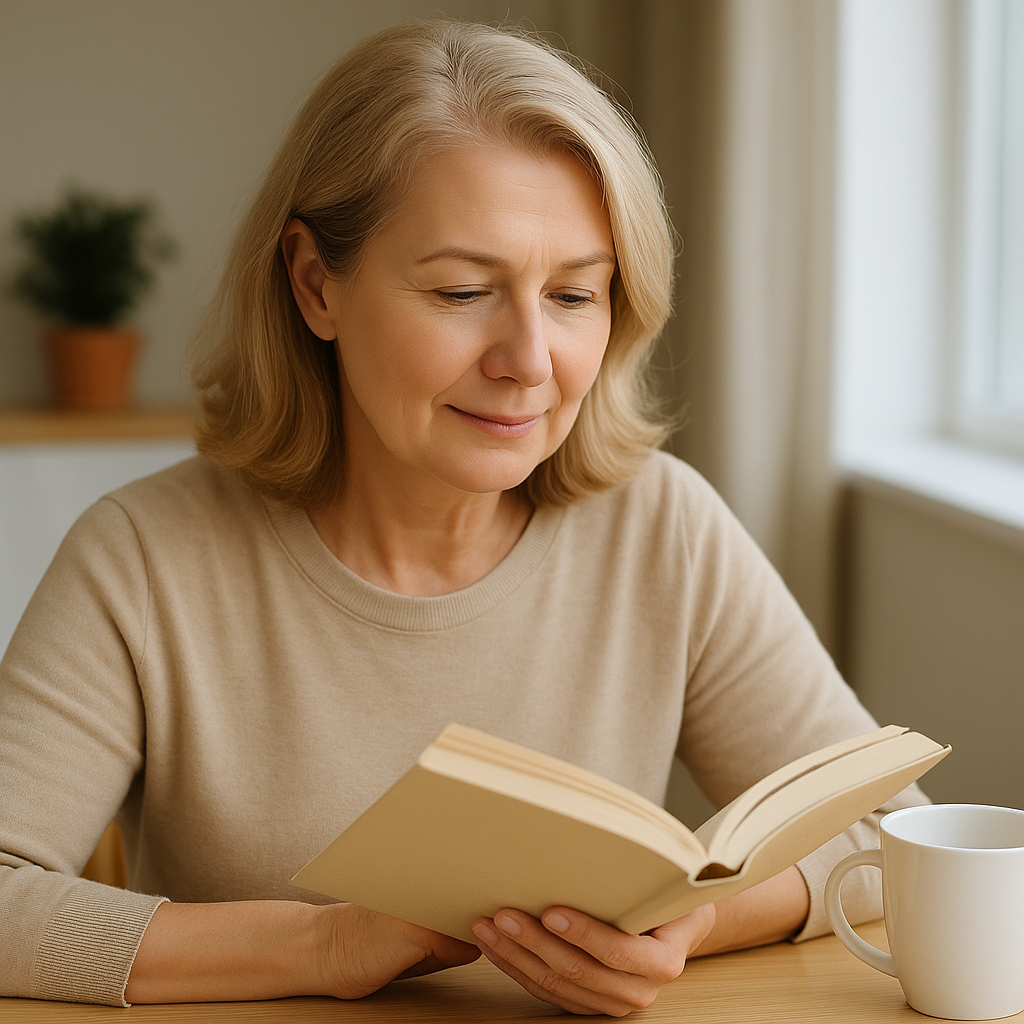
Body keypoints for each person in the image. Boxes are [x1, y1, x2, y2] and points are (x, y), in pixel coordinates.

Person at [0, 19, 925, 1015]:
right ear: (315, 283)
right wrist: (330, 942)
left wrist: (696, 920)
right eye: (462, 290)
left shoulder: (662, 528)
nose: (529, 358)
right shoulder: (142, 557)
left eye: (573, 294)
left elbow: (894, 839)